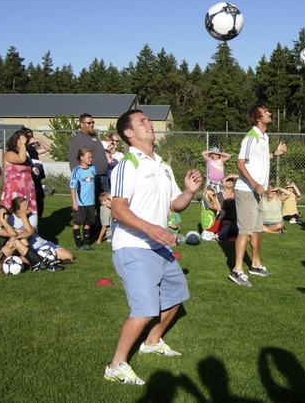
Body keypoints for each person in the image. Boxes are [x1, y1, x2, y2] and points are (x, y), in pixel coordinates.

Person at [104, 109, 202, 386]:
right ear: (129, 133)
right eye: (142, 121)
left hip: (158, 245)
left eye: (149, 119)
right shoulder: (127, 164)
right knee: (145, 309)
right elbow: (118, 209)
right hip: (133, 245)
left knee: (175, 297)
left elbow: (174, 204)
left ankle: (152, 341)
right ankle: (115, 365)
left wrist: (189, 192)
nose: (149, 124)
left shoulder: (163, 165)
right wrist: (151, 228)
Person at [229, 104, 287, 287]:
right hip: (246, 191)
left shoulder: (265, 137)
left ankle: (255, 264)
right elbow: (240, 164)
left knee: (256, 229)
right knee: (245, 230)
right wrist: (254, 184)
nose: (270, 113)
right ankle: (237, 270)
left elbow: (258, 159)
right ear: (257, 118)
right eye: (265, 112)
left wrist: (275, 153)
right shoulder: (250, 137)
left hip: (256, 193)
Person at [9, 197, 73, 265]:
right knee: (23, 258)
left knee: (69, 257)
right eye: (26, 207)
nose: (29, 209)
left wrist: (23, 215)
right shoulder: (11, 219)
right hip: (27, 249)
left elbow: (30, 232)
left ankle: (46, 262)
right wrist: (23, 214)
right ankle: (50, 262)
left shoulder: (33, 216)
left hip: (40, 244)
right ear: (19, 210)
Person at [0, 204, 50, 272]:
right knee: (15, 241)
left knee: (20, 239)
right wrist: (3, 221)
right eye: (3, 214)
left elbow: (28, 232)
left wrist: (15, 237)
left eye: (7, 213)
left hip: (0, 255)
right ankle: (37, 261)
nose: (7, 216)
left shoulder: (6, 227)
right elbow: (12, 233)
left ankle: (39, 262)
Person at [1, 130, 38, 214]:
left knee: (29, 214)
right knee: (16, 213)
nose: (24, 141)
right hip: (15, 190)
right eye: (21, 139)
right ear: (15, 141)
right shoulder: (9, 154)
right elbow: (20, 159)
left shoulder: (25, 155)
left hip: (27, 188)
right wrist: (22, 144)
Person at [70, 148, 97, 250]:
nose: (90, 159)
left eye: (91, 157)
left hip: (91, 202)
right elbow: (72, 187)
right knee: (77, 223)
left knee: (88, 223)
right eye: (88, 157)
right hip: (80, 203)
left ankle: (86, 244)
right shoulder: (76, 171)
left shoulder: (93, 169)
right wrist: (74, 202)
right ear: (81, 158)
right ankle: (78, 244)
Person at [24, 128, 49, 219]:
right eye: (28, 136)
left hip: (37, 180)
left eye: (31, 136)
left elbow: (48, 148)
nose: (31, 138)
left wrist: (38, 140)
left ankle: (38, 222)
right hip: (29, 180)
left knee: (40, 200)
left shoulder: (33, 150)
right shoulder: (23, 150)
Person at [216, 174, 239, 240]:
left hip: (234, 223)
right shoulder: (218, 195)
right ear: (224, 182)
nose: (229, 182)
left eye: (231, 181)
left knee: (242, 233)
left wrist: (231, 176)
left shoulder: (237, 193)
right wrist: (228, 177)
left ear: (234, 183)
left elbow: (240, 177)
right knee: (223, 237)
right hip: (222, 222)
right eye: (227, 180)